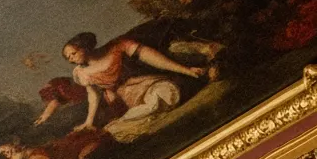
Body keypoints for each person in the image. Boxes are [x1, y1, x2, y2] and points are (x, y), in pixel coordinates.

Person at [36, 29, 216, 135]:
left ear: (84, 47)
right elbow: (93, 96)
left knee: (167, 94)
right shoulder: (80, 73)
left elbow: (152, 58)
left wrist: (185, 70)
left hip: (144, 85)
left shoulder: (117, 47)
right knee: (134, 117)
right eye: (68, 58)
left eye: (73, 54)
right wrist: (89, 122)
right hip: (123, 101)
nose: (71, 59)